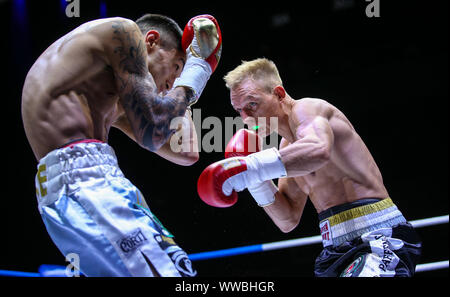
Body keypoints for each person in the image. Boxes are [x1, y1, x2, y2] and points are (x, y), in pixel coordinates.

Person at [21, 13, 222, 277]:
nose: (173, 82)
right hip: (86, 183)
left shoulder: (105, 96)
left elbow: (186, 151)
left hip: (76, 187)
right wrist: (197, 68)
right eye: (176, 66)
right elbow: (153, 132)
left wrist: (190, 80)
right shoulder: (122, 31)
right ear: (150, 41)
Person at [197, 58, 422, 277]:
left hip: (376, 235)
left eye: (252, 104)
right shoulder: (287, 150)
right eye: (239, 111)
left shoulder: (308, 109)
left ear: (278, 93)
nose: (246, 118)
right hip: (334, 250)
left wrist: (249, 168)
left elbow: (319, 150)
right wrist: (256, 182)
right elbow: (287, 220)